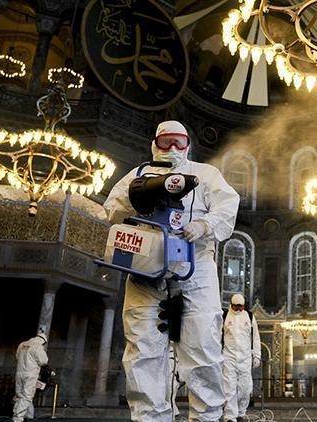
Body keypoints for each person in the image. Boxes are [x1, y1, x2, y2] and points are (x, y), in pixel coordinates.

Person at [104, 120, 240, 421]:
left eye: (179, 142)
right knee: (143, 351)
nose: (173, 148)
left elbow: (228, 204)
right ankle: (150, 417)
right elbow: (111, 209)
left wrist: (205, 224)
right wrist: (137, 200)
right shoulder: (137, 175)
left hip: (196, 266)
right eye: (166, 142)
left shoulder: (205, 175)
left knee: (202, 348)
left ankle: (207, 417)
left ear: (188, 144)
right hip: (145, 268)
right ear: (155, 143)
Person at [222, 293, 260, 422]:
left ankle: (241, 412)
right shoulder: (224, 316)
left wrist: (257, 355)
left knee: (245, 388)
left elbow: (255, 337)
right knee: (229, 388)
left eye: (241, 306)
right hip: (228, 357)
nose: (239, 309)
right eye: (236, 306)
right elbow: (217, 337)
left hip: (245, 358)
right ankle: (230, 416)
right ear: (232, 305)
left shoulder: (249, 316)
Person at [12, 332, 48, 422]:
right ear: (43, 341)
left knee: (19, 394)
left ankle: (25, 415)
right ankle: (18, 417)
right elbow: (43, 361)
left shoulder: (22, 344)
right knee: (27, 396)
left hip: (19, 372)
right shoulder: (38, 346)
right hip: (30, 374)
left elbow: (17, 356)